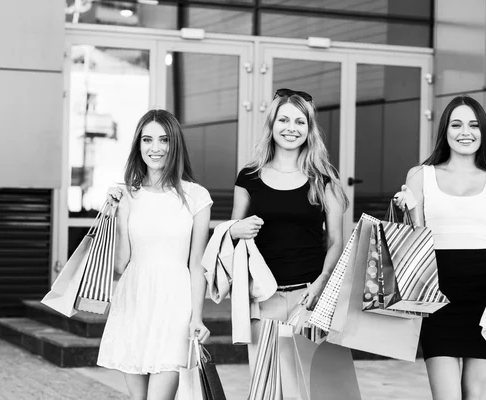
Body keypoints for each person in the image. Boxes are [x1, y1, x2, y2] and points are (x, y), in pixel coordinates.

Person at [393, 95, 486, 400]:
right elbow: (415, 239)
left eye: (473, 125)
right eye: (456, 124)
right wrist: (407, 209)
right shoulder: (420, 175)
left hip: (484, 296)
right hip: (436, 294)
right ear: (445, 131)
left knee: (475, 394)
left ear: (483, 132)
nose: (465, 132)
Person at [96, 109, 213, 400]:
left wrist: (197, 317)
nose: (155, 148)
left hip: (175, 302)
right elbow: (121, 263)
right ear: (138, 145)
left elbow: (197, 263)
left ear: (175, 145)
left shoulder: (196, 196)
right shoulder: (127, 195)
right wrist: (118, 212)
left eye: (164, 140)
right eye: (147, 140)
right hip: (134, 300)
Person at [230, 88, 349, 371]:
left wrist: (322, 282)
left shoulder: (323, 180)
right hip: (262, 298)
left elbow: (335, 242)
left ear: (309, 130)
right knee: (266, 387)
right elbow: (232, 233)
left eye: (299, 122)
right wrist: (237, 230)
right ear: (271, 126)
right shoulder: (249, 177)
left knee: (305, 389)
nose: (291, 128)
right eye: (284, 120)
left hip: (309, 298)